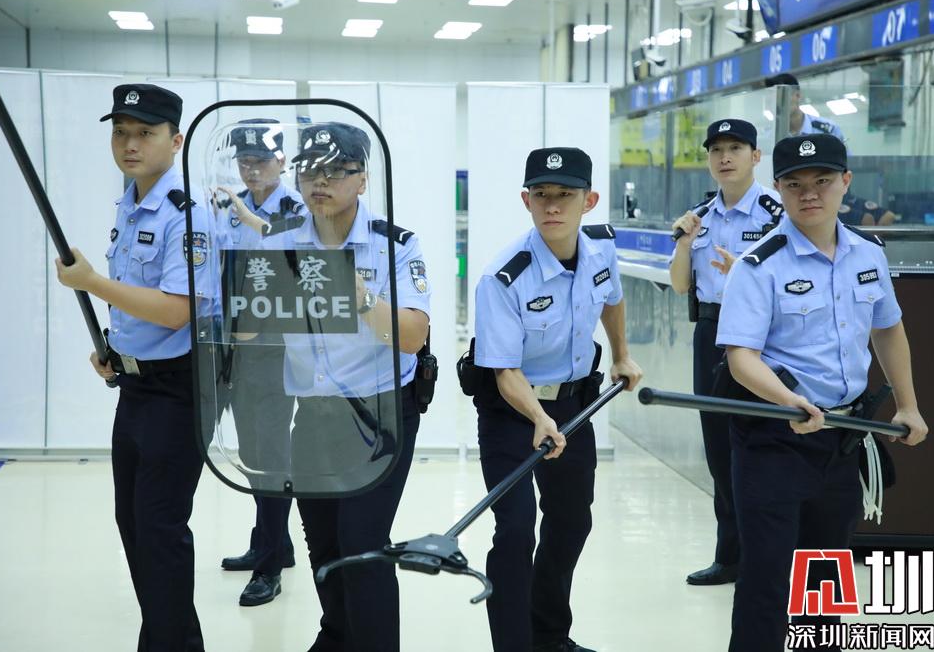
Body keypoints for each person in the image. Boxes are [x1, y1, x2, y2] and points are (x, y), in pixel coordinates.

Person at [716, 133, 929, 652]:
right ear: (778, 188)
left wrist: (908, 404)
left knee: (825, 572)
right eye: (795, 184)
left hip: (842, 435)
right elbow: (741, 359)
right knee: (767, 575)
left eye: (823, 180)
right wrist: (789, 401)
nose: (809, 193)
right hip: (773, 436)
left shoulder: (868, 254)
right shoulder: (758, 265)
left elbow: (887, 329)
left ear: (845, 182)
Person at [55, 83, 214, 651]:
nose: (129, 144)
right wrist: (115, 350)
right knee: (134, 525)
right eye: (121, 133)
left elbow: (176, 310)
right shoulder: (131, 202)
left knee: (159, 529)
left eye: (145, 133)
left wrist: (92, 282)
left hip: (180, 389)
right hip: (137, 387)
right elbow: (138, 306)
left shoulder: (186, 215)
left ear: (176, 140)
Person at [471, 147, 643, 652]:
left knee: (571, 521)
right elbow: (505, 371)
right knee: (516, 528)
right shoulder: (504, 276)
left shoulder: (601, 250)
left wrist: (621, 354)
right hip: (511, 412)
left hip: (573, 405)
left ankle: (548, 636)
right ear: (526, 200)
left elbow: (612, 299)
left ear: (588, 200)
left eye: (565, 195)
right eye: (541, 194)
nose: (552, 205)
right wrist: (539, 418)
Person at [267, 122, 430, 651]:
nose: (321, 182)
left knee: (363, 545)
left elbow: (412, 336)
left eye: (337, 171)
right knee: (323, 544)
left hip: (379, 415)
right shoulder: (278, 245)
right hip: (314, 415)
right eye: (310, 170)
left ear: (362, 180)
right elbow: (245, 331)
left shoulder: (394, 246)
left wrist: (356, 293)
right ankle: (337, 636)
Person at [669, 118, 782, 587]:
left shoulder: (778, 214)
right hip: (712, 331)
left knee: (765, 442)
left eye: (735, 148)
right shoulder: (699, 217)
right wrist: (683, 244)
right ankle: (731, 555)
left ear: (755, 156)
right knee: (718, 447)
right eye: (716, 150)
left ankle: (771, 555)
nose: (725, 157)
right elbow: (680, 285)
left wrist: (744, 274)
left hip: (763, 335)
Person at [215, 119, 305, 606]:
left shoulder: (296, 208)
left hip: (276, 347)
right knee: (251, 449)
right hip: (234, 344)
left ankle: (269, 566)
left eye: (261, 161)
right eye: (244, 161)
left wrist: (245, 216)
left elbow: (292, 263)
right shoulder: (230, 207)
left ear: (282, 162)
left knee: (271, 453)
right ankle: (272, 542)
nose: (251, 170)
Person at [765, 73, 846, 143]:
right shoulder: (769, 137)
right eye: (772, 100)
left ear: (798, 96)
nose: (778, 104)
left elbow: (846, 156)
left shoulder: (828, 132)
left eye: (783, 98)